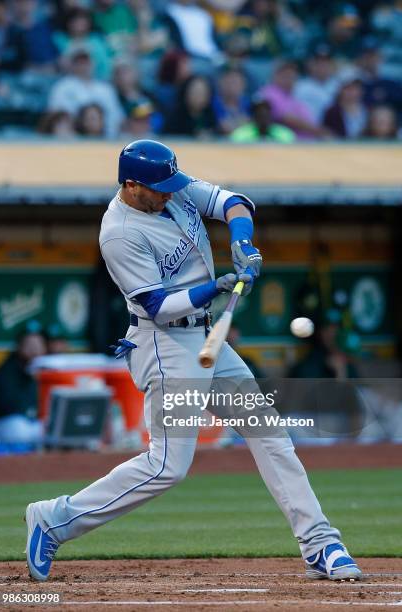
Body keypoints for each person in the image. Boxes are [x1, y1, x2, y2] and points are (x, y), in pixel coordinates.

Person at [25, 139, 362, 584]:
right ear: (131, 185)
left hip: (205, 336)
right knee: (167, 466)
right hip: (164, 343)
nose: (169, 192)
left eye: (171, 183)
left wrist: (243, 241)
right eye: (159, 187)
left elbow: (232, 202)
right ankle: (55, 520)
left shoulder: (173, 189)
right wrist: (216, 286)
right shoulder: (119, 232)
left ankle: (320, 543)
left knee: (267, 430)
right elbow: (156, 305)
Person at [47, 48, 124, 137]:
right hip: (73, 139)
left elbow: (116, 117)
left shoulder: (106, 89)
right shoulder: (62, 87)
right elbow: (56, 117)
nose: (83, 65)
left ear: (93, 63)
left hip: (104, 138)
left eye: (86, 62)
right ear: (72, 64)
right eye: (79, 62)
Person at [0, 324, 46, 447]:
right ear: (19, 346)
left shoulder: (46, 368)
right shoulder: (6, 371)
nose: (35, 350)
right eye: (30, 345)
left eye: (38, 344)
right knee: (19, 427)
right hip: (7, 423)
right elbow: (9, 407)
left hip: (32, 423)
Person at [230, 95, 295, 143]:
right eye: (258, 111)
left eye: (266, 111)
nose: (262, 114)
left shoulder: (284, 133)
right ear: (253, 115)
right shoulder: (240, 134)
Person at [323, 72, 368, 139]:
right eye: (348, 88)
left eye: (356, 88)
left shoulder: (368, 109)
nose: (352, 92)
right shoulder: (332, 112)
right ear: (340, 90)